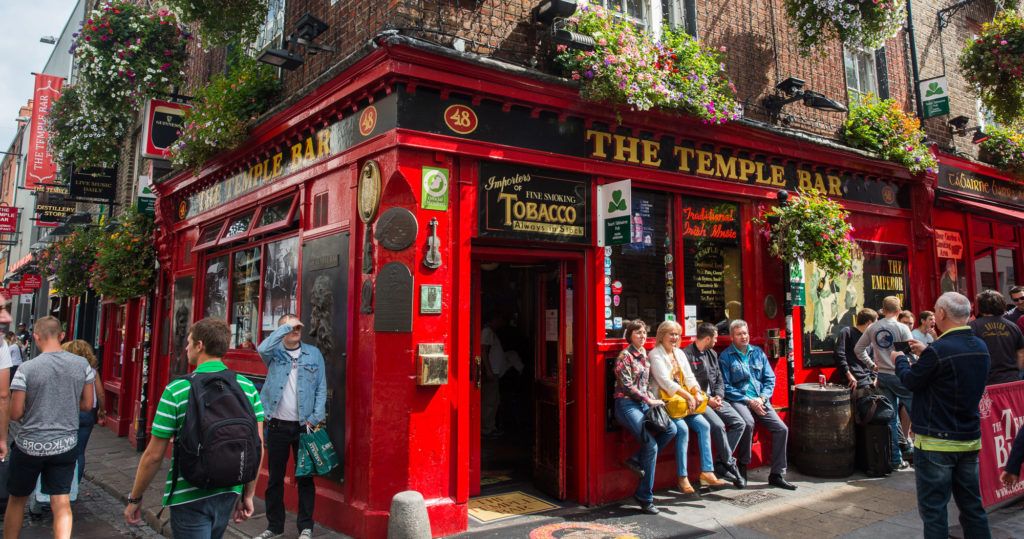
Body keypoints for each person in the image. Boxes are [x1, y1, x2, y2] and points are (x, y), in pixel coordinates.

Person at [124, 318, 265, 539]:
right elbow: (257, 446)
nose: (186, 347)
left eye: (189, 342)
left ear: (200, 345)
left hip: (188, 495)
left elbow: (153, 455)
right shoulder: (246, 386)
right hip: (229, 490)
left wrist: (135, 498)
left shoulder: (177, 389)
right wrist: (249, 493)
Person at [894, 292, 990, 539]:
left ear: (942, 314)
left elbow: (911, 382)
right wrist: (926, 351)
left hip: (936, 440)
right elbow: (952, 369)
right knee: (972, 507)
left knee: (934, 510)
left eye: (936, 310)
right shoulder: (980, 347)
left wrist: (900, 360)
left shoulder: (938, 351)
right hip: (969, 439)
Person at [3, 316, 94, 539]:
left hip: (29, 446)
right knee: (61, 501)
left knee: (17, 500)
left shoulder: (27, 369)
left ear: (35, 337)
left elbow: (15, 413)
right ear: (62, 336)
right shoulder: (82, 365)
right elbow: (88, 405)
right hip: (65, 445)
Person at [254, 315, 327, 539]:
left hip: (304, 427)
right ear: (282, 329)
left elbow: (321, 387)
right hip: (277, 426)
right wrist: (285, 326)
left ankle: (306, 527)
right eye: (290, 326)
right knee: (275, 478)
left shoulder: (313, 353)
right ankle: (274, 527)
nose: (296, 329)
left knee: (305, 479)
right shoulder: (274, 354)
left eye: (297, 325)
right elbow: (262, 347)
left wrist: (314, 418)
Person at [648, 320, 729, 495]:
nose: (675, 337)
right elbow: (665, 382)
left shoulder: (679, 353)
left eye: (677, 334)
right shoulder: (655, 355)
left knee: (704, 425)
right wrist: (689, 396)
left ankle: (707, 471)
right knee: (683, 429)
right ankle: (682, 477)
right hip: (668, 403)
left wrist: (697, 392)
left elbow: (690, 377)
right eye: (671, 334)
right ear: (662, 335)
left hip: (686, 403)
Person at [719, 319, 796, 490]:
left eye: (745, 333)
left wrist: (762, 398)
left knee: (782, 429)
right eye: (739, 334)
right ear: (732, 337)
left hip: (760, 400)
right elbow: (726, 387)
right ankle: (742, 466)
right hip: (739, 400)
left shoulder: (758, 353)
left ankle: (777, 474)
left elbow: (770, 379)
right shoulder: (726, 357)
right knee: (747, 423)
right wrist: (749, 400)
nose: (743, 337)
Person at [613, 319, 676, 515]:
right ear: (629, 335)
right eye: (637, 332)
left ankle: (637, 460)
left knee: (671, 429)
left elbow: (647, 384)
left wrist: (650, 398)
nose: (642, 336)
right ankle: (645, 496)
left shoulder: (644, 356)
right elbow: (626, 386)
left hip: (643, 403)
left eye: (644, 332)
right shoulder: (625, 356)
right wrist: (648, 400)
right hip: (626, 405)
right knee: (651, 445)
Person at [683, 323, 746, 488]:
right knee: (718, 426)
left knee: (740, 423)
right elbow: (689, 385)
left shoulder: (712, 353)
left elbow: (719, 378)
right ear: (708, 338)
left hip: (716, 399)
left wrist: (718, 395)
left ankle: (721, 462)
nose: (717, 341)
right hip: (700, 402)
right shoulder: (687, 355)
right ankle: (731, 464)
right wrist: (708, 399)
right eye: (716, 338)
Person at [855, 296, 914, 469]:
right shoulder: (902, 327)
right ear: (898, 311)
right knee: (917, 412)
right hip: (900, 374)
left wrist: (872, 365)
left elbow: (858, 349)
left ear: (883, 309)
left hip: (883, 376)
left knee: (891, 418)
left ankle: (895, 459)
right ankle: (925, 455)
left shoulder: (873, 327)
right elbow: (910, 352)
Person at [62, 340, 105, 483]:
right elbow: (100, 394)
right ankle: (74, 485)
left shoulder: (63, 369)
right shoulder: (91, 370)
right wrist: (102, 410)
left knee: (62, 449)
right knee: (79, 452)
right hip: (87, 414)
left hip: (68, 412)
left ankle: (59, 482)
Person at [970, 290, 1024, 385]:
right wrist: (1016, 372)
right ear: (1002, 304)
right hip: (1012, 381)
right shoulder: (1013, 326)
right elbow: (1021, 353)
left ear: (981, 306)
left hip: (986, 383)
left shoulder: (972, 327)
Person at [835, 308, 878, 390]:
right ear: (869, 323)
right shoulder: (847, 332)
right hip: (854, 379)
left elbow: (872, 360)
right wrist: (848, 375)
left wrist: (874, 379)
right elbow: (839, 355)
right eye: (875, 324)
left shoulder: (870, 338)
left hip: (867, 380)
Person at [480, 311, 507, 438]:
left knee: (493, 400)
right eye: (499, 320)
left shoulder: (490, 332)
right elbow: (483, 351)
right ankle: (487, 429)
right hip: (491, 372)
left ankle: (489, 426)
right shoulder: (487, 332)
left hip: (494, 371)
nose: (501, 323)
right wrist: (488, 371)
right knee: (489, 401)